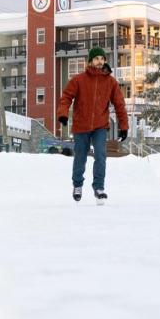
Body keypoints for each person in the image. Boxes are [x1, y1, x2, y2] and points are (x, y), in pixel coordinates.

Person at [57, 47, 128, 204]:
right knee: (80, 157)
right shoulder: (79, 80)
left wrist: (124, 126)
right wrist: (62, 114)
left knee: (101, 155)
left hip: (100, 126)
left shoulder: (111, 82)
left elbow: (119, 105)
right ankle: (77, 185)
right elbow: (66, 97)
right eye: (96, 58)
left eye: (102, 59)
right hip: (81, 125)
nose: (100, 61)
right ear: (90, 61)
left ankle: (99, 187)